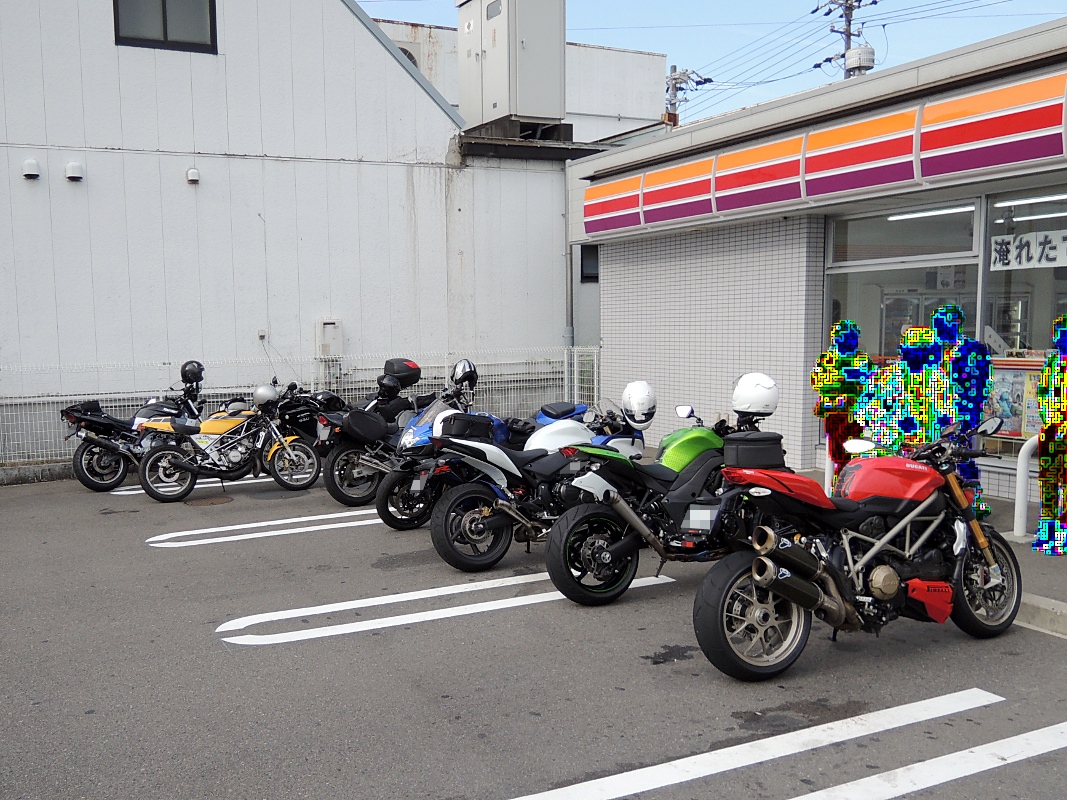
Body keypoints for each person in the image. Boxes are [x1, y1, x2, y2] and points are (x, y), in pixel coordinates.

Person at [932, 304, 994, 519]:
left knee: (964, 459)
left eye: (942, 323)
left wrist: (969, 412)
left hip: (964, 417)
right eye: (936, 324)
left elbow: (983, 383)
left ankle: (973, 502)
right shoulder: (934, 350)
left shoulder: (973, 349)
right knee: (937, 459)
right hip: (937, 417)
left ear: (956, 323)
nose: (938, 329)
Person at [811, 320, 871, 484]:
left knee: (854, 452)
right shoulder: (827, 359)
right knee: (838, 454)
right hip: (834, 413)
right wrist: (845, 379)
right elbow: (817, 382)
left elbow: (870, 381)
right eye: (846, 337)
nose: (851, 341)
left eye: (853, 337)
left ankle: (847, 482)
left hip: (855, 414)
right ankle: (839, 483)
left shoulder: (862, 359)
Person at [1034, 314, 1067, 556]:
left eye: (1062, 332)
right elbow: (1042, 394)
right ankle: (1046, 534)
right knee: (1047, 484)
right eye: (1056, 332)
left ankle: (1062, 537)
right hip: (1051, 432)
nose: (1058, 337)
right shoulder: (1052, 362)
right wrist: (1049, 420)